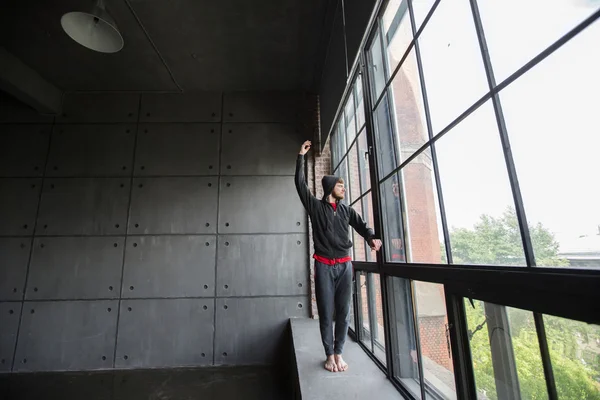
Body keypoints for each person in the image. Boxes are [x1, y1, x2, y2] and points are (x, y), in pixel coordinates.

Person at [295, 140, 382, 373]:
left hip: (344, 266)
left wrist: (371, 238)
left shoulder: (346, 210)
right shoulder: (315, 207)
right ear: (330, 187)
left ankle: (339, 352)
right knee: (325, 311)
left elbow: (363, 226)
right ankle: (329, 355)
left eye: (344, 185)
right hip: (323, 266)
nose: (344, 189)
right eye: (340, 185)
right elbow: (300, 185)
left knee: (344, 312)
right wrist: (300, 157)